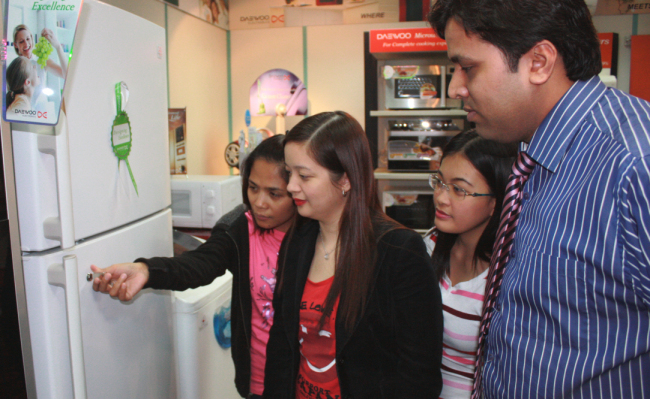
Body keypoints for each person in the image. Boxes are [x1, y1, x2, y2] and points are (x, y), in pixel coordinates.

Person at [428, 0, 650, 397]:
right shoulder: (536, 158)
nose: (456, 87)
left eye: (467, 68)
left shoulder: (633, 163)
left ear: (539, 62)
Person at [92, 134, 296, 399]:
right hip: (258, 384)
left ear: (297, 191)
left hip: (305, 384)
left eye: (274, 193)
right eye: (253, 187)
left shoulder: (315, 235)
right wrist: (146, 270)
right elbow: (200, 263)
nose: (259, 202)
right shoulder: (240, 229)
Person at [264, 111, 443, 399]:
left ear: (345, 179)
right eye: (289, 172)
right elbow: (282, 345)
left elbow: (419, 375)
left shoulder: (398, 252)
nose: (290, 186)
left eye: (304, 176)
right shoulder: (299, 240)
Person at [423, 130, 516, 398]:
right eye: (439, 182)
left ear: (496, 203)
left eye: (459, 189)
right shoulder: (429, 245)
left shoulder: (508, 273)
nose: (441, 197)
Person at [13, 24, 67, 107]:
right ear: (16, 45)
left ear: (32, 39)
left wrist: (58, 47)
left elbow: (66, 75)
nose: (26, 44)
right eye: (21, 41)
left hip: (41, 113)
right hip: (22, 112)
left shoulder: (41, 61)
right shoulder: (15, 67)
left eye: (28, 39)